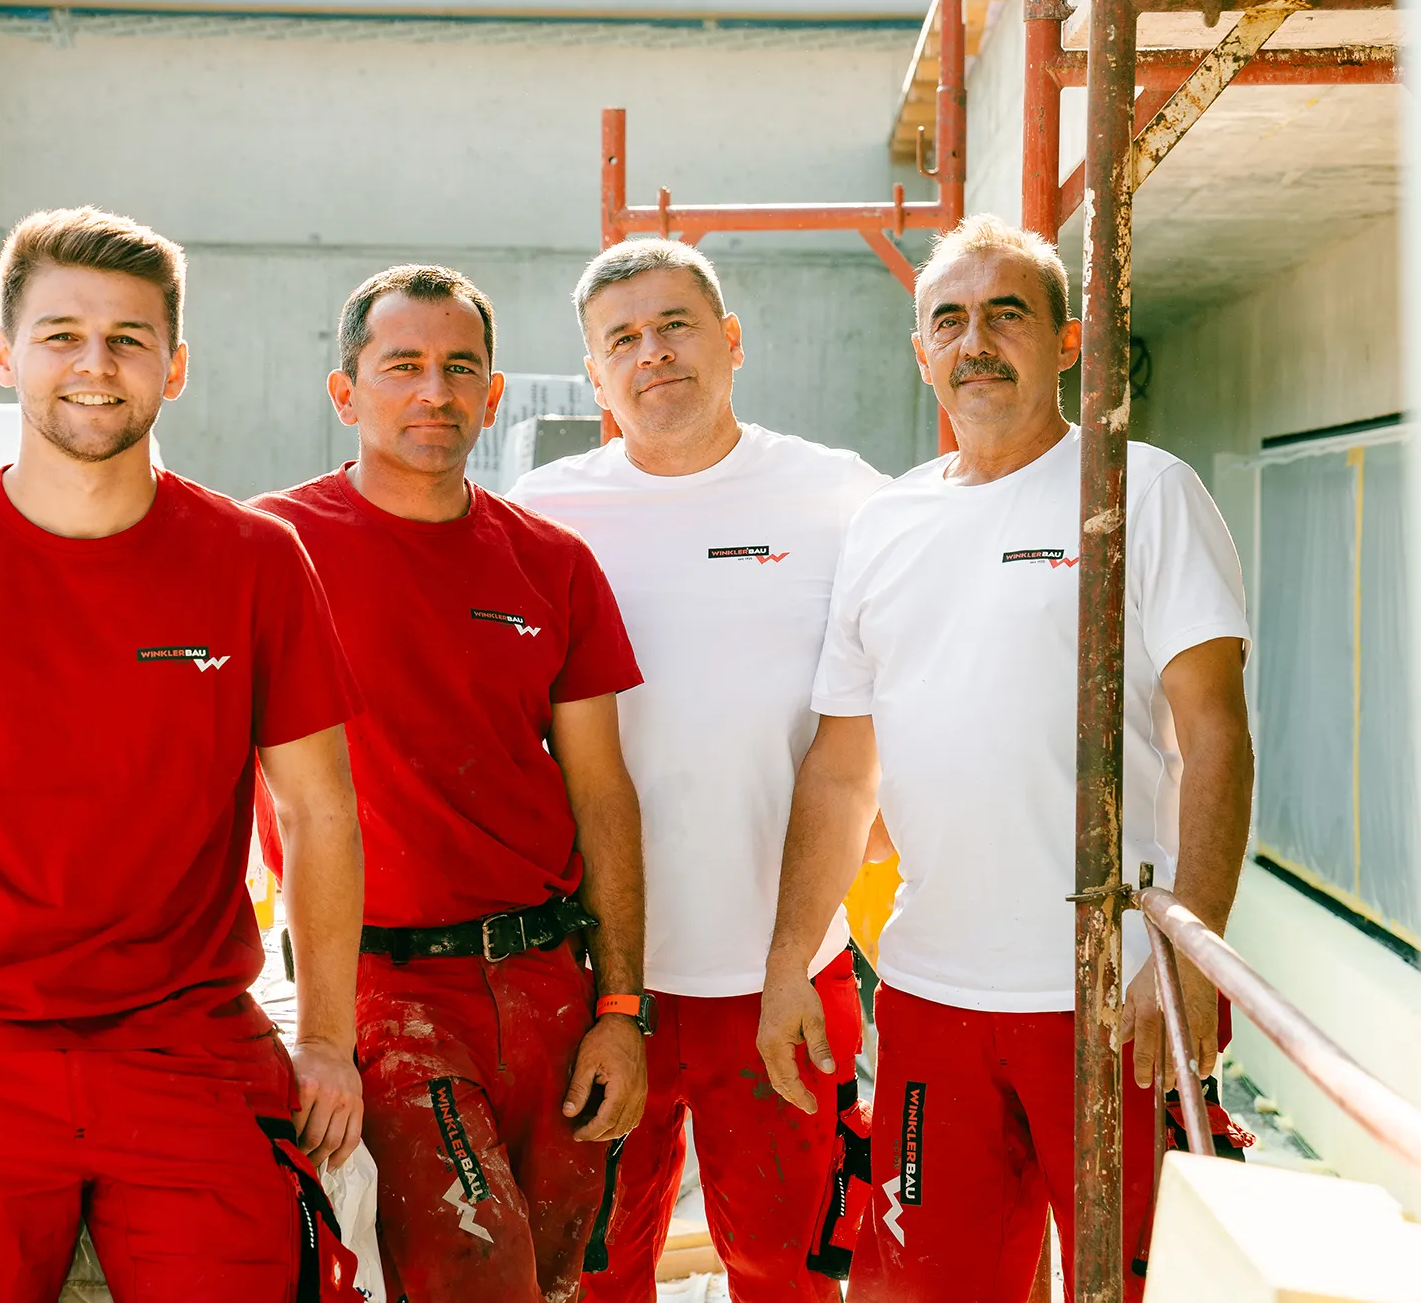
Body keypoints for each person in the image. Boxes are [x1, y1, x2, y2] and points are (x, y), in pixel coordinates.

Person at [0, 206, 367, 1303]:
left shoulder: (254, 562)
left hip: (186, 1045)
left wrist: (327, 1037)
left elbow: (321, 812)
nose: (96, 365)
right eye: (60, 335)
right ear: (5, 354)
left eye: (129, 338)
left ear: (173, 368)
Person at [758, 214, 1254, 1302]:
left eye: (1006, 313)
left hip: (1107, 995)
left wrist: (1188, 958)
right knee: (932, 1288)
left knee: (1132, 1284)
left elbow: (1213, 726)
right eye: (949, 318)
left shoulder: (1137, 489)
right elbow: (843, 771)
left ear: (1066, 342)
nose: (974, 339)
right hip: (932, 991)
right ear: (920, 351)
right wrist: (792, 957)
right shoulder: (884, 525)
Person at [251, 263, 650, 1303]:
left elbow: (601, 792)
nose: (435, 391)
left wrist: (619, 1005)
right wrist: (308, 1027)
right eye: (403, 367)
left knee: (557, 1280)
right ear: (346, 393)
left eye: (459, 367)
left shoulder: (550, 564)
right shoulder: (266, 550)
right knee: (474, 1268)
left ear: (494, 392)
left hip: (546, 982)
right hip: (385, 983)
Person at [508, 239, 891, 1302]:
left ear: (729, 341)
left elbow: (911, 685)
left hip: (783, 975)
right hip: (594, 981)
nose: (652, 354)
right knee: (593, 1274)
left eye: (675, 325)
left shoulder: (838, 495)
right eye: (620, 340)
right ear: (594, 377)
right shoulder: (540, 512)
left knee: (792, 1274)